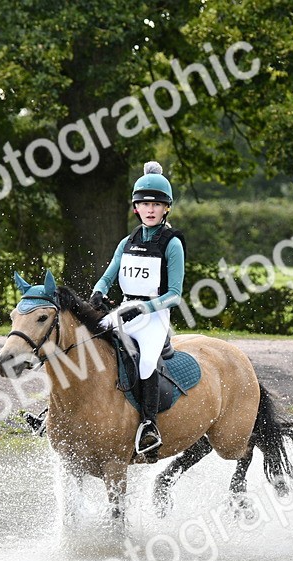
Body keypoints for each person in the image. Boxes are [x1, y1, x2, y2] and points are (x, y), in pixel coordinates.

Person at [91, 161, 185, 456]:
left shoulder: (172, 244)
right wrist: (98, 292)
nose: (150, 209)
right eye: (144, 204)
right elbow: (109, 274)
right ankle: (55, 412)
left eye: (157, 204)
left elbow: (175, 295)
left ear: (166, 208)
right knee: (86, 343)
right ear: (136, 207)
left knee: (145, 362)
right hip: (124, 310)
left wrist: (143, 310)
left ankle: (148, 425)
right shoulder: (127, 241)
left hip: (154, 316)